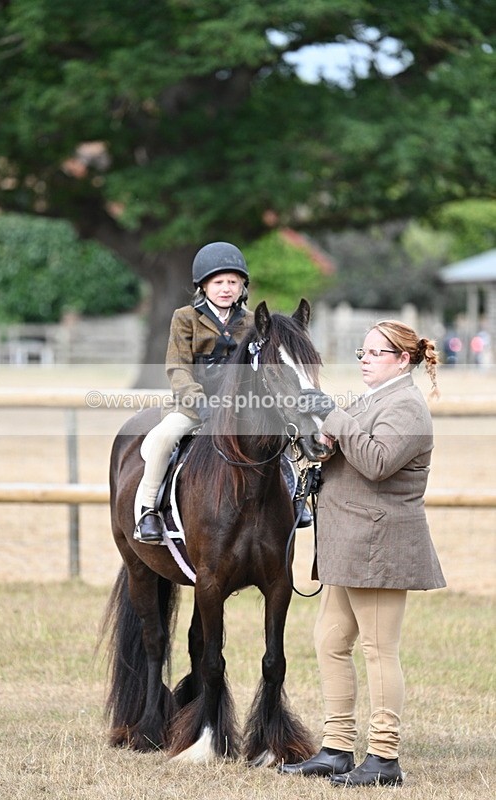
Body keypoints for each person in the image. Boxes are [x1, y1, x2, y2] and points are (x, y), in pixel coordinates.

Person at [279, 319, 446, 787]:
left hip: (381, 545)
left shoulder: (408, 407)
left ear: (403, 360)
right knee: (330, 642)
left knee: (377, 649)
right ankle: (336, 749)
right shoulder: (373, 401)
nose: (365, 360)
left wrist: (334, 417)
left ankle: (384, 757)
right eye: (362, 353)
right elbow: (345, 445)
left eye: (375, 353)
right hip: (350, 545)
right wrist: (321, 445)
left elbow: (375, 463)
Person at [134, 241, 254, 543]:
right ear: (203, 285)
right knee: (163, 439)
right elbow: (178, 368)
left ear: (242, 286)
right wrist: (199, 403)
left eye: (233, 282)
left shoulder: (251, 321)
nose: (226, 288)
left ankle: (294, 501)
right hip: (192, 406)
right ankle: (149, 510)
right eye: (219, 282)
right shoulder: (185, 317)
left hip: (240, 407)